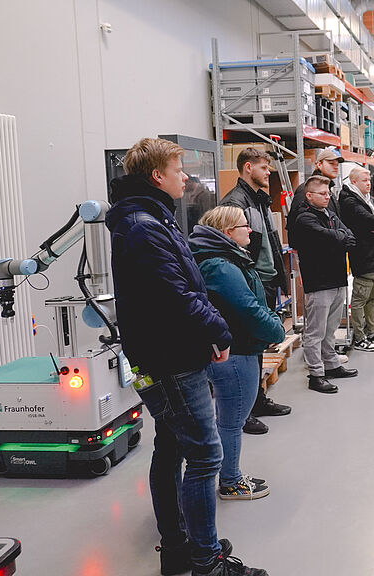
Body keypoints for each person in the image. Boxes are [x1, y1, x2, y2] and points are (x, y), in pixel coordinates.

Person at [106, 137, 265, 576]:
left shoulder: (151, 218)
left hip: (167, 352)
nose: (186, 178)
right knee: (205, 456)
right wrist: (218, 330)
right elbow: (175, 295)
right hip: (170, 359)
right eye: (179, 170)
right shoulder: (143, 225)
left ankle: (179, 547)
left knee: (171, 447)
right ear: (157, 176)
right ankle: (206, 560)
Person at [190, 206, 285, 501]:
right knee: (232, 422)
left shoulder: (222, 259)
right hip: (237, 353)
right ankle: (230, 482)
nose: (250, 231)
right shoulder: (221, 265)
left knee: (227, 420)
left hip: (233, 350)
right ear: (228, 232)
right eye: (245, 226)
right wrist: (276, 331)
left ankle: (228, 475)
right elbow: (247, 308)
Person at [219, 147, 291, 435]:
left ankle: (257, 400)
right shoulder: (235, 203)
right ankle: (244, 411)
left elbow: (269, 242)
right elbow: (232, 249)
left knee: (258, 346)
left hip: (265, 282)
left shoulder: (259, 199)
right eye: (263, 167)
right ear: (248, 167)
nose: (268, 172)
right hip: (253, 282)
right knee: (247, 347)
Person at [288, 175, 359, 393]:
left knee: (330, 329)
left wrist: (339, 238)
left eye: (328, 193)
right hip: (319, 282)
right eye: (322, 193)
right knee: (315, 332)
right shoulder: (304, 219)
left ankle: (332, 364)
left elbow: (349, 235)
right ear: (309, 196)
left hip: (337, 279)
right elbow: (329, 237)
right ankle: (316, 374)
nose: (327, 197)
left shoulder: (330, 214)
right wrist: (339, 238)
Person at [339, 166, 374, 352]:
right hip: (363, 256)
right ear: (354, 181)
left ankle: (372, 332)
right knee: (360, 299)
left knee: (373, 298)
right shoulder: (349, 200)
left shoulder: (368, 199)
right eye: (364, 180)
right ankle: (360, 337)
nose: (369, 183)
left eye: (369, 180)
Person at [289, 147, 343, 219]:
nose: (336, 167)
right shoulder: (306, 189)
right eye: (331, 163)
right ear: (319, 164)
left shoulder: (329, 190)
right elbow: (296, 219)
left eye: (337, 165)